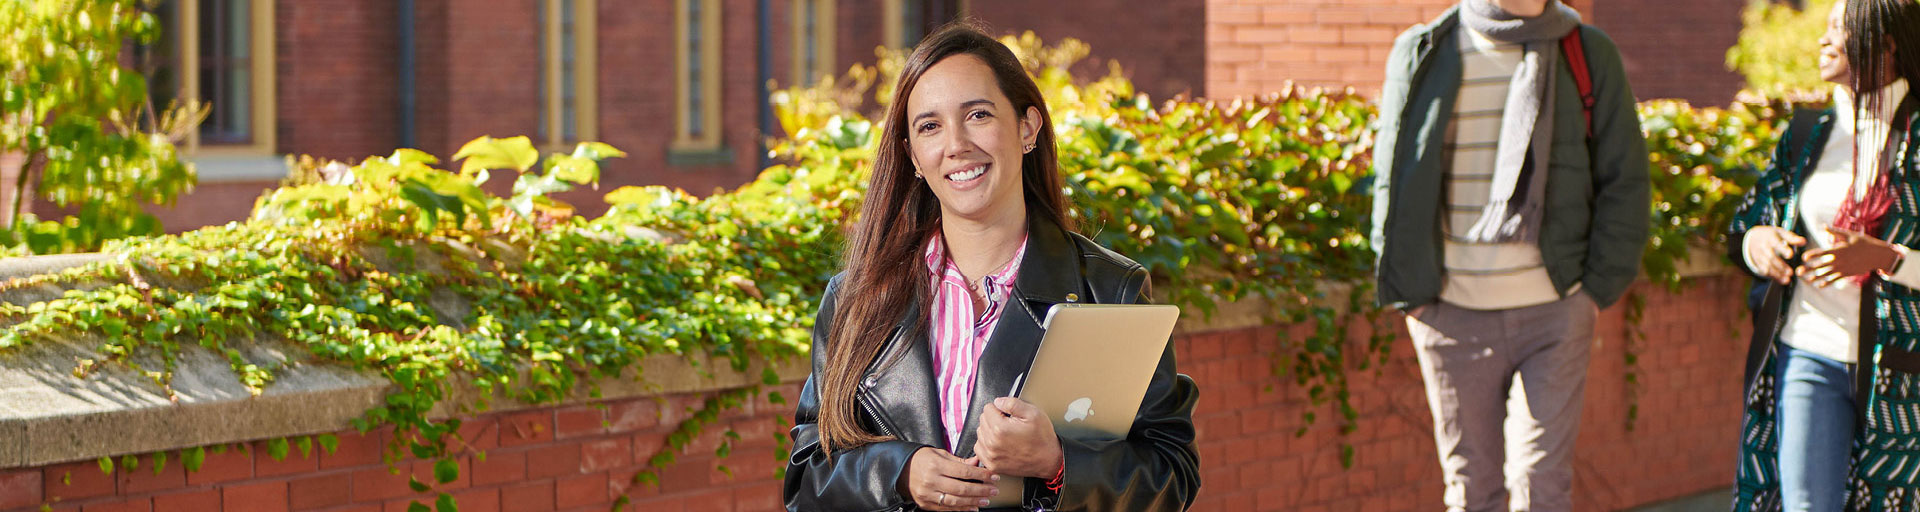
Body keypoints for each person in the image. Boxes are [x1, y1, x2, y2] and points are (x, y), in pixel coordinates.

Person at [781, 23, 1201, 512]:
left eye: (977, 114)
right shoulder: (856, 298)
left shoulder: (1108, 289)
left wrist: (1058, 463)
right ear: (913, 156)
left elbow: (1172, 475)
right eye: (930, 126)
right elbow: (807, 475)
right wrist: (899, 473)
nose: (955, 144)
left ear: (1027, 128)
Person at [1369, 0, 1649, 510]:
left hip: (1554, 310)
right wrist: (1413, 299)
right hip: (1448, 312)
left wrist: (1592, 293)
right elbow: (1391, 177)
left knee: (1540, 485)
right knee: (1472, 490)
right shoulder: (1423, 49)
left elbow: (1624, 179)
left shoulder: (1587, 52)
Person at [1730, 1, 1920, 510]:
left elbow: (1894, 258)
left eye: (1839, 27)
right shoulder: (1806, 134)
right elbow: (1747, 221)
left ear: (1887, 42)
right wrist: (1758, 244)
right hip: (1807, 350)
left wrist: (1889, 258)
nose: (1824, 38)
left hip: (1902, 376)